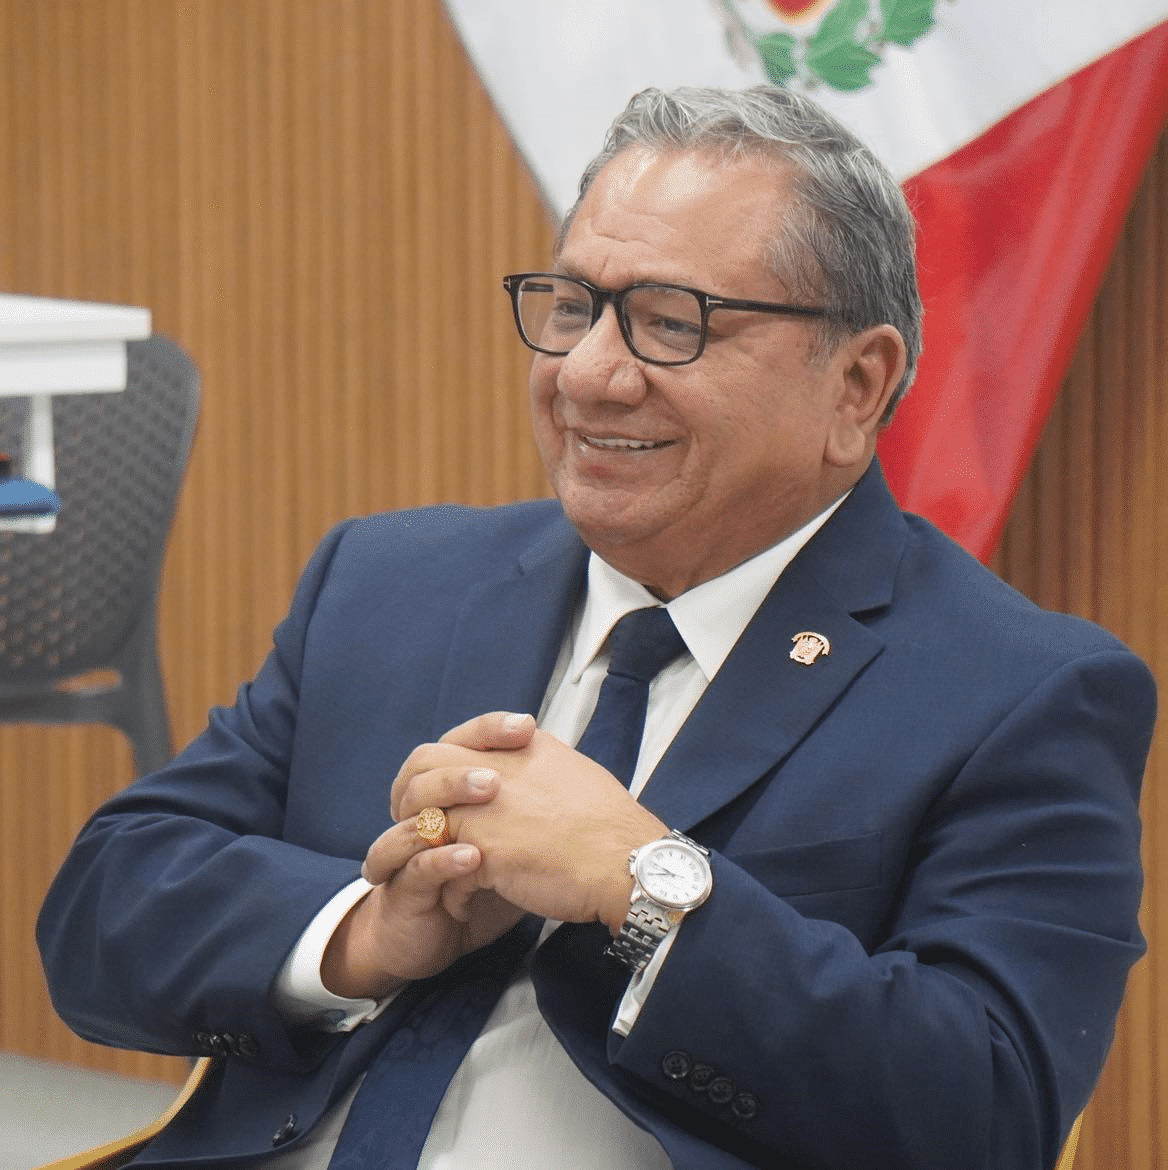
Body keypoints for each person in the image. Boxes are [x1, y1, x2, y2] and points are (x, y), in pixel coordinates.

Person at [38, 85, 1154, 1170]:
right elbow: (103, 912)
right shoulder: (389, 581)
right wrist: (359, 938)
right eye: (572, 308)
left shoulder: (1020, 691)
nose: (588, 375)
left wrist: (649, 890)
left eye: (672, 324)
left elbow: (985, 1114)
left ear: (857, 384)